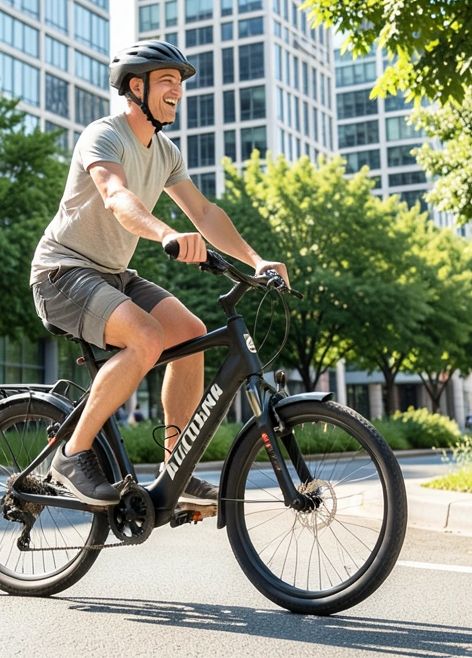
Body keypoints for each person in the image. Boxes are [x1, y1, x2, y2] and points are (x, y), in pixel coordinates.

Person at [30, 40, 288, 508]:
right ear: (137, 86)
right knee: (147, 338)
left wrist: (256, 261)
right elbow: (115, 195)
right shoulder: (103, 135)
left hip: (111, 273)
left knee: (190, 337)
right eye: (167, 81)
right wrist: (166, 232)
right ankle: (72, 455)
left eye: (180, 84)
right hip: (62, 272)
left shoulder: (165, 152)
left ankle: (177, 470)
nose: (177, 92)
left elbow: (205, 213)